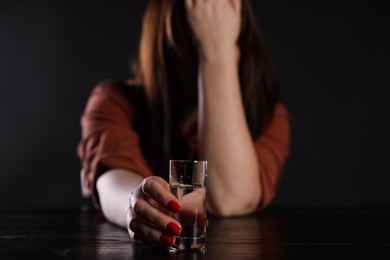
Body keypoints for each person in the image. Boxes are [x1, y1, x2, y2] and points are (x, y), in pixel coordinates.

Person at [77, 0, 290, 249]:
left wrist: (216, 53)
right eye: (198, 33)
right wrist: (136, 203)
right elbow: (112, 182)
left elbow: (229, 200)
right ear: (166, 42)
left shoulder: (268, 116)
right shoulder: (114, 101)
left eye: (223, 32)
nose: (210, 41)